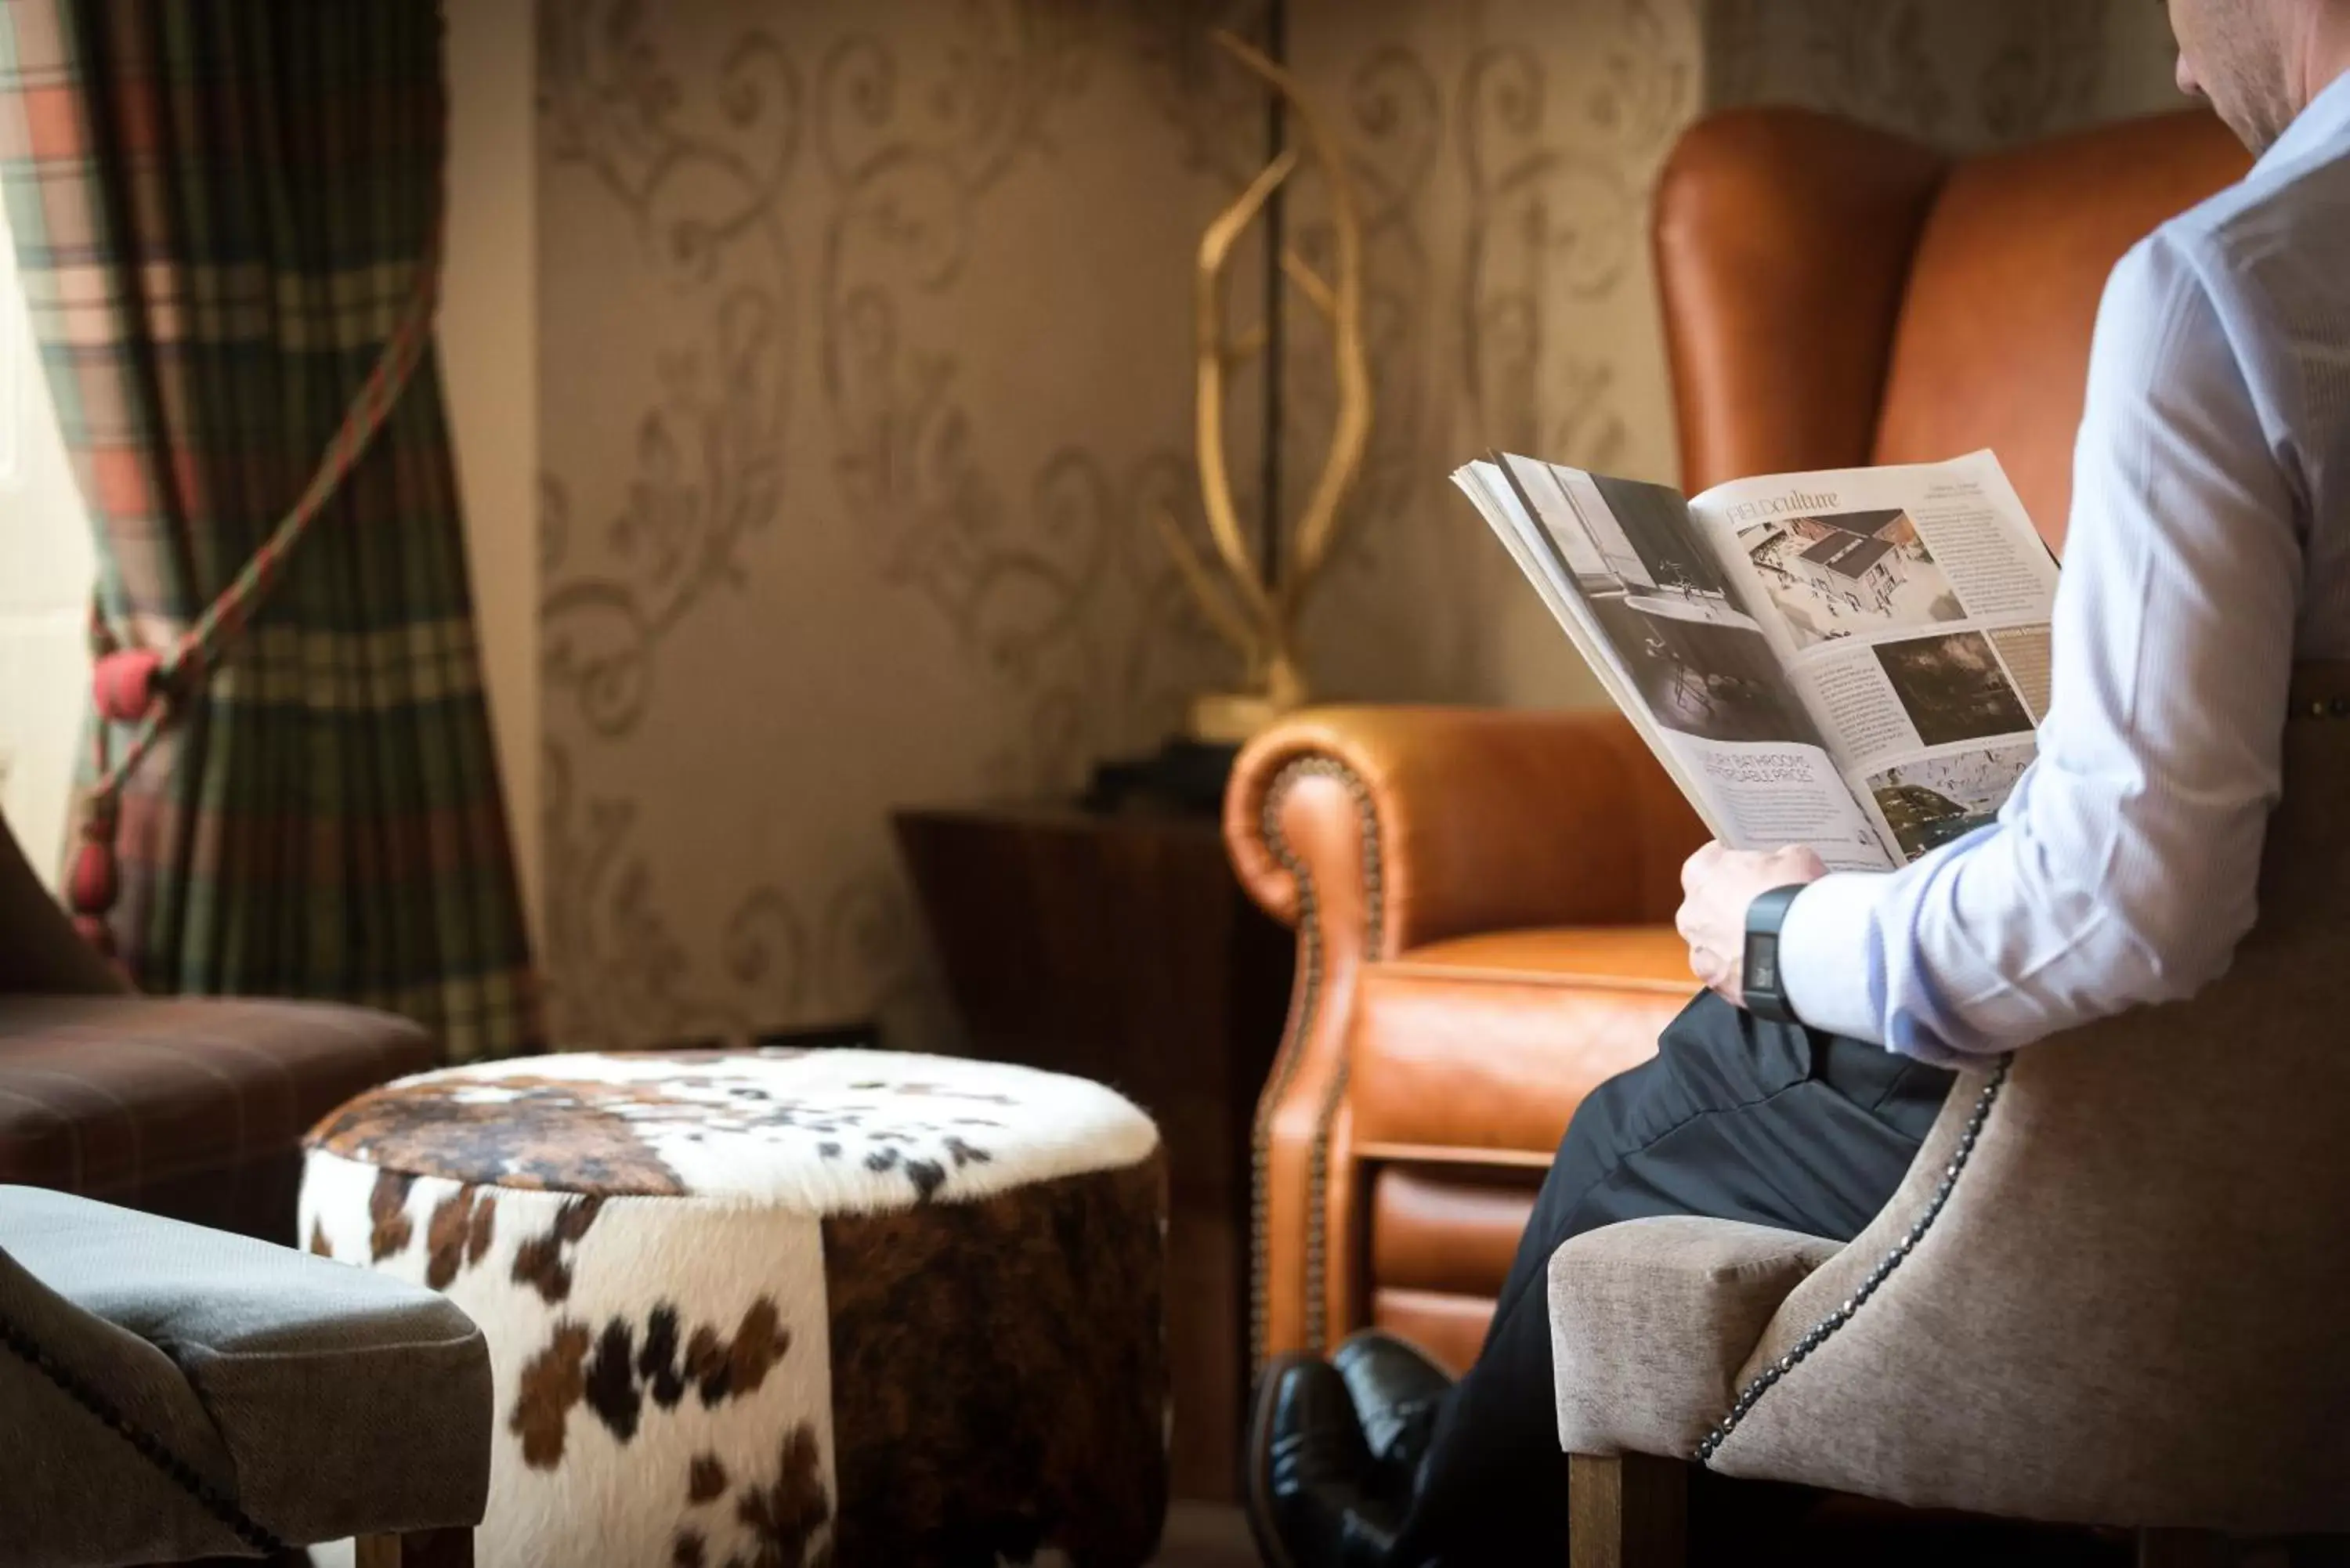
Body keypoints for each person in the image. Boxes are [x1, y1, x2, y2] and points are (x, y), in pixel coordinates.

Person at [1244, 0, 2350, 1561]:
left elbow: (2137, 898)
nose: (2175, 54)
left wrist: (1780, 935)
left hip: (2217, 1117)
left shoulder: (2226, 282)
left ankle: (1424, 1535)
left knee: (1671, 1109)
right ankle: (1441, 1471)